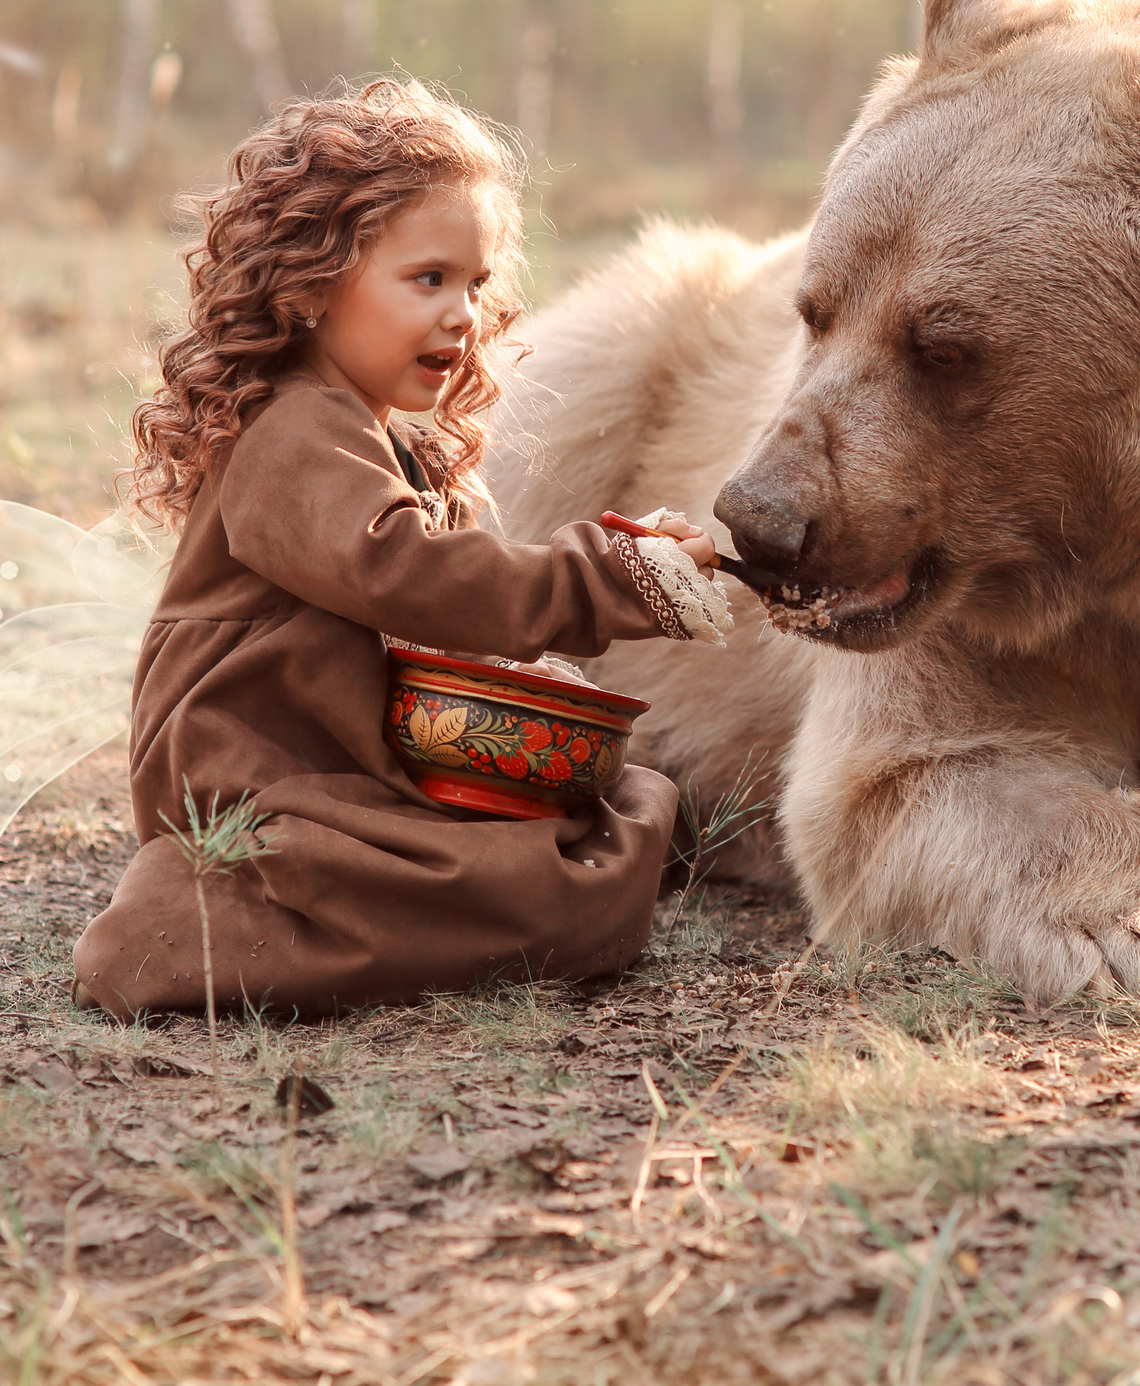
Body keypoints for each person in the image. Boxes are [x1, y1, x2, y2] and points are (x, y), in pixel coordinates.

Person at [71, 79, 725, 1020]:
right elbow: (407, 574)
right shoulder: (293, 431)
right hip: (257, 784)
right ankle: (188, 914)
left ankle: (443, 898)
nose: (463, 314)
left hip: (342, 766)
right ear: (311, 281)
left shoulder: (358, 424)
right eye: (429, 280)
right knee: (560, 873)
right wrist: (610, 575)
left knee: (617, 809)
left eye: (476, 284)